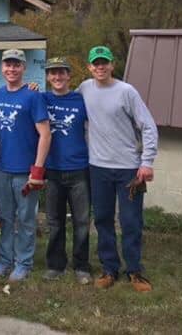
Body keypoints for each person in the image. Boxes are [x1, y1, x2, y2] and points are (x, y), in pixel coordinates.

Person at [79, 45, 158, 292]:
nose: (100, 67)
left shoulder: (126, 92)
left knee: (130, 220)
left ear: (112, 65)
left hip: (128, 170)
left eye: (104, 62)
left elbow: (148, 126)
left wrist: (146, 162)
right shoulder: (83, 89)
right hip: (98, 168)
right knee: (102, 219)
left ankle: (134, 271)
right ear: (89, 67)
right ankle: (109, 268)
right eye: (95, 63)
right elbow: (63, 105)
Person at [0, 49, 51, 282]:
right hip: (2, 168)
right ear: (2, 68)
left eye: (16, 65)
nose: (12, 69)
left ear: (24, 68)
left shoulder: (33, 96)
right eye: (8, 65)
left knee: (26, 219)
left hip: (25, 171)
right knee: (5, 218)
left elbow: (45, 135)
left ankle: (23, 262)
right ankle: (5, 260)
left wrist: (37, 170)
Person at [40, 57, 92, 285]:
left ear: (69, 75)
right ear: (48, 77)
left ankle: (81, 266)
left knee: (81, 221)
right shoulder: (41, 99)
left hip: (79, 169)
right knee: (55, 221)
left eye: (61, 73)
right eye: (52, 73)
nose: (57, 77)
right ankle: (55, 265)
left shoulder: (81, 100)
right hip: (52, 170)